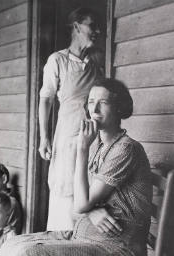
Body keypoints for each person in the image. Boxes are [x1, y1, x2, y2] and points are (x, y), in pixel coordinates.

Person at [0, 78, 152, 256]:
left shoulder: (125, 148)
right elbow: (79, 206)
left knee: (28, 253)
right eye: (91, 102)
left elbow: (80, 205)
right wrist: (91, 211)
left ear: (118, 107)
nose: (94, 110)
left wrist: (82, 149)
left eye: (103, 102)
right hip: (84, 236)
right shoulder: (100, 146)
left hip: (116, 246)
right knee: (12, 244)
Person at [38, 7, 104, 230]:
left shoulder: (96, 67)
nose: (97, 30)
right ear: (77, 26)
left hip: (92, 138)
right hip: (67, 137)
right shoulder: (58, 60)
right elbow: (46, 99)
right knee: (66, 190)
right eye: (92, 25)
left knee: (88, 190)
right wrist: (44, 138)